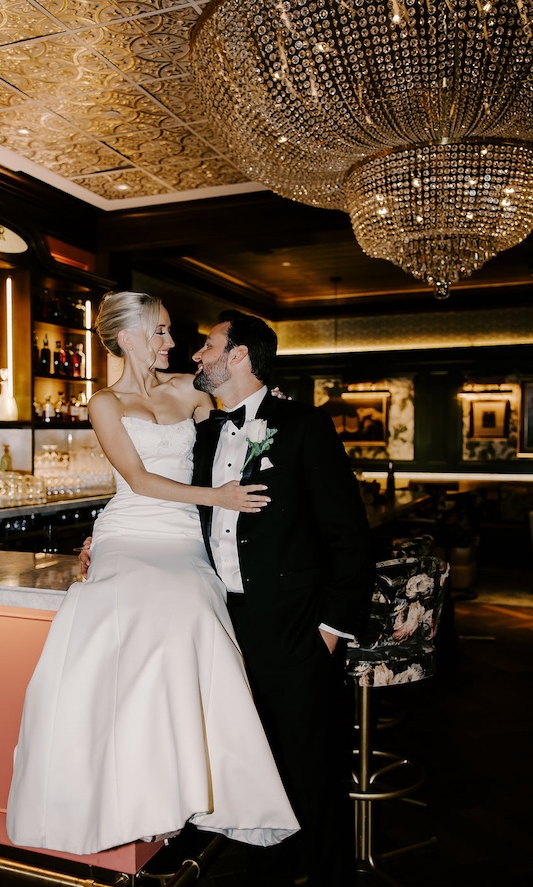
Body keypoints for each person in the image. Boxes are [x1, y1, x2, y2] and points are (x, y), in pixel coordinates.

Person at [6, 291, 299, 857]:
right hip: (130, 530)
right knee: (134, 616)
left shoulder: (191, 390)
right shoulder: (103, 403)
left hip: (183, 534)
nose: (172, 342)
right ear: (128, 337)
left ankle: (193, 783)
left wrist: (273, 407)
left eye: (169, 331)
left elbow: (234, 433)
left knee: (190, 607)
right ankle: (134, 789)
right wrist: (216, 497)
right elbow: (137, 480)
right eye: (160, 331)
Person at [190, 311, 373, 887]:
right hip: (224, 622)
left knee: (310, 765)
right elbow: (174, 509)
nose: (197, 355)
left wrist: (329, 627)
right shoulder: (202, 433)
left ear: (240, 354)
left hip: (296, 625)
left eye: (208, 346)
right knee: (249, 761)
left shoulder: (302, 426)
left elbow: (349, 534)